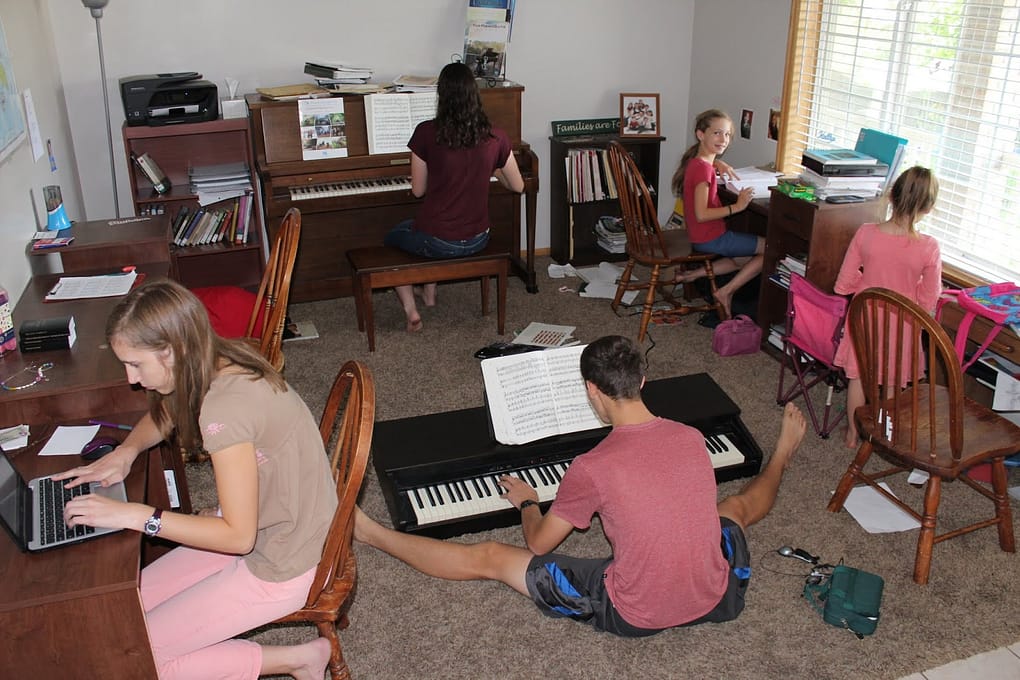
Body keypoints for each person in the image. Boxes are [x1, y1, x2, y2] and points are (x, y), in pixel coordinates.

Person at [355, 335, 807, 636]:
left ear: (591, 390)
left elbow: (538, 545)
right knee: (734, 510)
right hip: (719, 597)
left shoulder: (592, 467)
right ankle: (784, 452)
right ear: (643, 381)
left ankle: (370, 533)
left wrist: (529, 502)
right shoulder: (692, 439)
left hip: (633, 613)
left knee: (491, 557)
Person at [54, 280, 336, 680]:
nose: (132, 380)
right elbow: (167, 412)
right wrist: (126, 452)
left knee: (134, 654)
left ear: (172, 351)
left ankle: (297, 659)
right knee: (125, 611)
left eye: (136, 364)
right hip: (277, 524)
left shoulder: (225, 411)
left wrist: (140, 516)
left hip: (287, 560)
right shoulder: (213, 355)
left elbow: (238, 538)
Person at [384, 61, 525, 332]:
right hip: (478, 238)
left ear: (442, 96)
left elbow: (418, 191)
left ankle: (412, 310)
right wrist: (493, 168)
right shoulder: (496, 136)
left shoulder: (426, 132)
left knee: (393, 239)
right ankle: (429, 292)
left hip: (438, 239)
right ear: (475, 94)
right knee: (421, 230)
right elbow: (518, 187)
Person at [833, 166, 942, 449]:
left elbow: (842, 284)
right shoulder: (929, 247)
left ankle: (853, 434)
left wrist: (866, 284)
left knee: (857, 376)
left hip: (864, 318)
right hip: (903, 323)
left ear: (891, 197)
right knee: (893, 382)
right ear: (928, 208)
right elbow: (929, 301)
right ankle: (886, 434)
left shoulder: (866, 233)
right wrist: (908, 291)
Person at [670, 108, 765, 319]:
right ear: (700, 134)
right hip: (710, 237)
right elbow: (702, 213)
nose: (723, 139)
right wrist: (737, 206)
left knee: (741, 259)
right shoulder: (703, 170)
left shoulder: (697, 162)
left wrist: (716, 162)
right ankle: (726, 292)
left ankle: (690, 275)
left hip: (700, 236)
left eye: (728, 134)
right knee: (768, 250)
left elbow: (703, 169)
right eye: (717, 133)